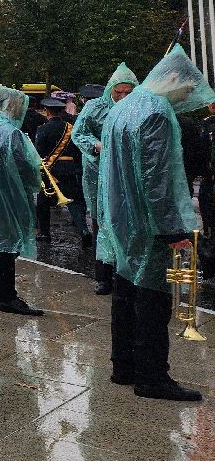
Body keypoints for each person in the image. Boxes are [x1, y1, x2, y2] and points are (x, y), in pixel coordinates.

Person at [98, 45, 213, 402]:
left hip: (123, 220)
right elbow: (157, 179)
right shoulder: (157, 112)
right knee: (153, 299)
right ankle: (151, 377)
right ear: (173, 80)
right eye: (187, 90)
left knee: (125, 291)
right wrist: (173, 230)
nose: (187, 98)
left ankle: (124, 366)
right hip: (148, 224)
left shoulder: (124, 107)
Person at [0, 85, 44, 316]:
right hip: (10, 195)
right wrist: (34, 182)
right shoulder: (11, 133)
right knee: (7, 245)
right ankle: (7, 297)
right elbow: (25, 166)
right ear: (12, 105)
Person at [73, 64, 139, 295]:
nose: (123, 97)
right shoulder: (94, 107)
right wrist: (96, 145)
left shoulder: (138, 108)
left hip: (126, 174)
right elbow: (78, 132)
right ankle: (103, 276)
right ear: (111, 89)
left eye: (128, 92)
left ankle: (125, 274)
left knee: (126, 224)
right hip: (97, 172)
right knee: (100, 223)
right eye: (119, 92)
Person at [34, 96, 85, 245]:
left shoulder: (42, 129)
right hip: (70, 170)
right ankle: (83, 230)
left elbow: (39, 151)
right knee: (75, 202)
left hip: (51, 171)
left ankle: (44, 233)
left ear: (47, 112)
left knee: (43, 202)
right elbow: (77, 151)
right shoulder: (71, 128)